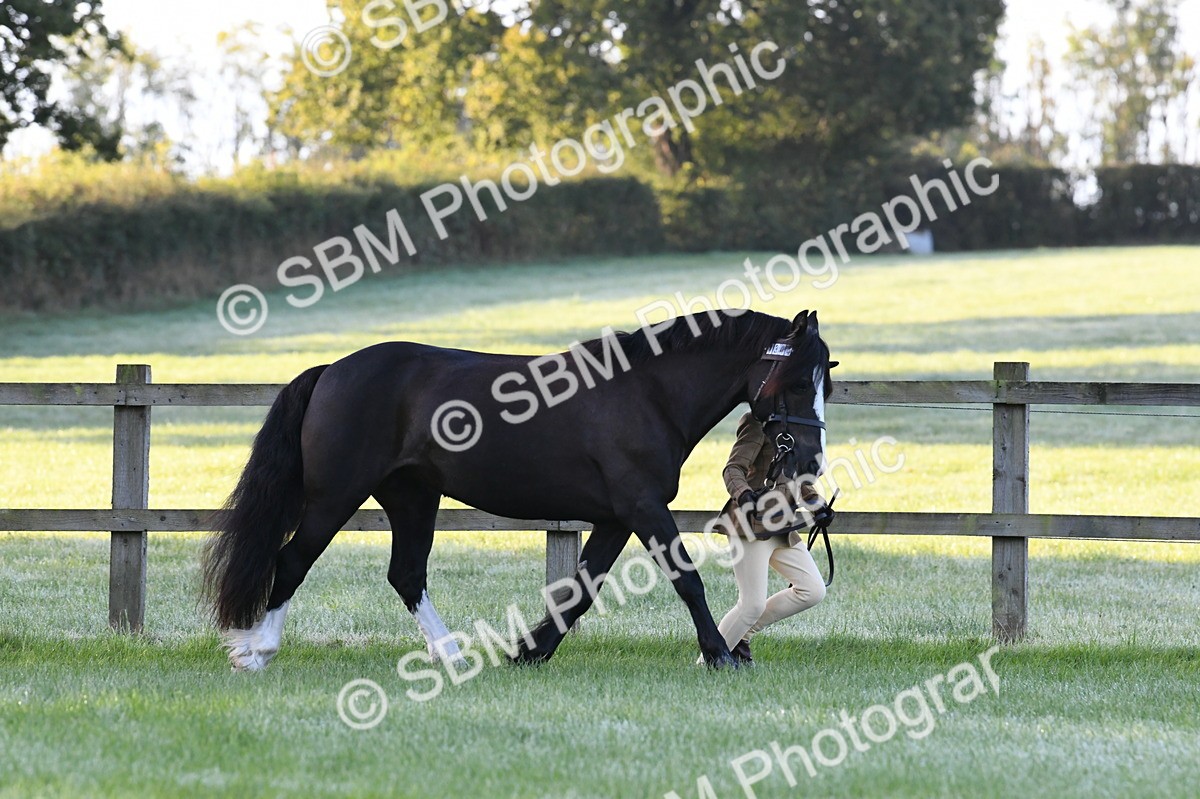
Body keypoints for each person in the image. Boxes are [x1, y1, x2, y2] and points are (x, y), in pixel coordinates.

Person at [715, 411, 828, 664]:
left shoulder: (800, 423)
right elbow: (733, 468)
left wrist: (816, 504)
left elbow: (798, 477)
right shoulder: (757, 422)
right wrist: (744, 495)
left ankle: (741, 637)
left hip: (781, 527)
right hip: (750, 525)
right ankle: (709, 662)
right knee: (751, 606)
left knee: (812, 590)